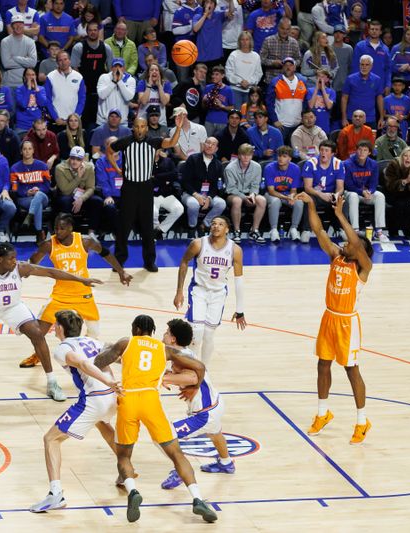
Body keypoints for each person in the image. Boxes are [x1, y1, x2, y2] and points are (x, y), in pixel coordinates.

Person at [0, 243, 103, 402]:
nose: (15, 261)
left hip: (13, 307)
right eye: (11, 258)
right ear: (0, 260)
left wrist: (81, 279)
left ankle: (51, 382)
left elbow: (51, 272)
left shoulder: (20, 268)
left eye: (15, 257)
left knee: (37, 334)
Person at [90, 315, 218, 524]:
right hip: (151, 401)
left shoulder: (126, 342)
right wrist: (195, 386)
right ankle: (197, 499)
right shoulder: (164, 349)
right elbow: (200, 367)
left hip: (128, 400)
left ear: (137, 329)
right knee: (176, 454)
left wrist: (114, 353)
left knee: (123, 455)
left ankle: (132, 492)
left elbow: (99, 362)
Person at [295, 191, 373, 445]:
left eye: (350, 243)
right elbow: (319, 232)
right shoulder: (336, 256)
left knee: (351, 370)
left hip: (347, 323)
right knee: (322, 365)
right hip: (328, 318)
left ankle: (362, 421)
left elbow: (357, 243)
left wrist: (340, 214)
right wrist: (310, 205)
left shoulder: (363, 267)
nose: (345, 243)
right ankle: (322, 413)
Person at [28, 309, 124, 513]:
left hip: (95, 399)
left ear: (60, 328)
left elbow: (81, 363)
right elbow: (121, 356)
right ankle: (126, 470)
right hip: (113, 399)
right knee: (102, 424)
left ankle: (56, 494)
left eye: (56, 325)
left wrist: (108, 380)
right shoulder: (95, 342)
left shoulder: (63, 348)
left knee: (51, 439)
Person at [18, 213, 132, 368]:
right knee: (39, 331)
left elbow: (105, 253)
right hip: (60, 295)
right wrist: (23, 270)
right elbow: (33, 262)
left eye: (62, 228)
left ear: (71, 228)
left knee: (94, 332)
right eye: (56, 228)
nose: (58, 232)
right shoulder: (49, 244)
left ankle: (83, 354)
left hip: (82, 294)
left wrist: (121, 271)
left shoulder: (86, 241)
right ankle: (38, 355)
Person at [159, 318, 233, 490]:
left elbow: (192, 377)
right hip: (215, 404)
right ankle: (226, 463)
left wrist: (165, 378)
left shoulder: (182, 358)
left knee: (165, 435)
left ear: (173, 339)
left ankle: (180, 469)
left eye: (167, 332)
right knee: (215, 433)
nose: (164, 334)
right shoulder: (183, 354)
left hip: (205, 413)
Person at [107, 113, 185, 271]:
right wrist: (117, 169)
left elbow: (172, 142)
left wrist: (178, 127)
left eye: (142, 126)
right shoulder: (125, 142)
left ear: (147, 128)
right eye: (137, 126)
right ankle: (119, 260)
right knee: (124, 225)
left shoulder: (154, 142)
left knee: (147, 225)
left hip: (145, 187)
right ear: (133, 128)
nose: (139, 129)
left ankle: (149, 261)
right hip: (129, 187)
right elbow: (109, 150)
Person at [174, 215, 246, 366]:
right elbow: (184, 262)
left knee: (208, 335)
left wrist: (240, 311)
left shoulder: (235, 250)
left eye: (220, 224)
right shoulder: (198, 244)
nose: (216, 226)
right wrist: (179, 291)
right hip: (198, 291)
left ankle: (203, 369)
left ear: (227, 229)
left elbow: (239, 280)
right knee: (197, 332)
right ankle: (192, 367)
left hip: (218, 294)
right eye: (213, 223)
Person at [343, 140, 388, 242]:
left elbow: (374, 183)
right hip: (351, 193)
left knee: (380, 196)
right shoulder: (347, 164)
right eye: (359, 149)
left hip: (366, 193)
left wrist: (370, 191)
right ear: (356, 151)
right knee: (354, 196)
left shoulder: (373, 164)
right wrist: (361, 192)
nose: (362, 152)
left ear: (369, 152)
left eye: (365, 150)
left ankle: (379, 231)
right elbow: (348, 185)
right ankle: (355, 231)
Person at [10, 140, 53, 244]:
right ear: (21, 152)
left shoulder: (42, 166)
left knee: (38, 196)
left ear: (33, 150)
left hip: (43, 197)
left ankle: (30, 218)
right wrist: (26, 192)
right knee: (36, 203)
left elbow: (48, 185)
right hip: (24, 199)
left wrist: (39, 189)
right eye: (24, 149)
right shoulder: (15, 168)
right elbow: (15, 188)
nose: (27, 151)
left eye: (29, 149)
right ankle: (39, 233)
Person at [302, 140, 345, 237]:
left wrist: (336, 195)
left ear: (332, 153)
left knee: (341, 199)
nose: (323, 153)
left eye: (326, 150)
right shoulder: (311, 163)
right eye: (321, 150)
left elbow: (340, 187)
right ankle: (306, 230)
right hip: (315, 194)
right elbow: (307, 188)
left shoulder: (338, 164)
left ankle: (341, 228)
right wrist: (321, 194)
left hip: (331, 194)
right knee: (308, 199)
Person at [224, 144, 266, 244]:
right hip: (233, 194)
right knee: (237, 201)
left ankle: (254, 230)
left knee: (262, 200)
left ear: (252, 155)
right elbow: (231, 188)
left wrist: (253, 194)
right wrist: (243, 197)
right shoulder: (230, 168)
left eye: (249, 155)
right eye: (243, 155)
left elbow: (255, 185)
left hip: (249, 193)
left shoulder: (257, 167)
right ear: (239, 155)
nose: (246, 157)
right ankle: (237, 231)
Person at [265, 145, 305, 243]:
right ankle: (273, 230)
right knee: (275, 201)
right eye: (279, 156)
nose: (280, 158)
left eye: (284, 156)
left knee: (299, 202)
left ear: (290, 158)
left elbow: (294, 189)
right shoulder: (269, 168)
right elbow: (271, 191)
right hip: (272, 194)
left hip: (287, 194)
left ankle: (293, 229)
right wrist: (286, 198)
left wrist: (291, 196)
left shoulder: (295, 169)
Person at [383, 146, 410, 238]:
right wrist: (404, 181)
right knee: (400, 203)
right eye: (405, 156)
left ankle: (408, 232)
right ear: (402, 157)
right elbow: (389, 184)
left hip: (409, 195)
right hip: (393, 193)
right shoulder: (394, 164)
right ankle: (394, 231)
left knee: (408, 203)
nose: (408, 158)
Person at [1, 13, 39, 89]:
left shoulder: (30, 42)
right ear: (11, 26)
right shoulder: (5, 41)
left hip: (26, 82)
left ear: (23, 25)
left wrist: (15, 58)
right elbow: (6, 64)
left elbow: (33, 63)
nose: (18, 26)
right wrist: (26, 61)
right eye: (15, 24)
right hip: (9, 82)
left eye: (20, 23)